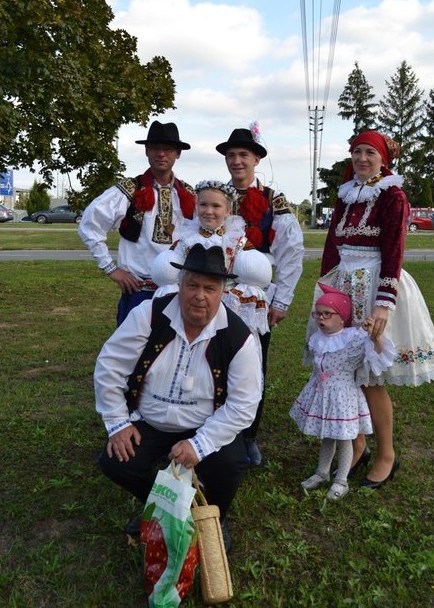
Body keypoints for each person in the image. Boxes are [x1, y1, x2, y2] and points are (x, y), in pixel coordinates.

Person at [94, 243, 263, 552]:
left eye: (210, 288)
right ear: (179, 285)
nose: (200, 296)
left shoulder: (239, 336)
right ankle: (163, 508)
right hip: (150, 421)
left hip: (204, 425)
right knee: (116, 461)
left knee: (230, 463)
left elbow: (244, 404)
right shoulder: (149, 315)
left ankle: (215, 516)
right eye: (192, 286)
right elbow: (110, 366)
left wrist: (199, 445)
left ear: (222, 292)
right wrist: (118, 422)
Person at [311, 130, 434, 489]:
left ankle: (386, 454)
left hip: (373, 288)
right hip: (343, 287)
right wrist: (325, 290)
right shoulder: (346, 194)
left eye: (370, 152)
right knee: (345, 371)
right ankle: (357, 445)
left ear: (383, 158)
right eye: (357, 151)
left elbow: (394, 250)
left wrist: (384, 303)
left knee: (371, 377)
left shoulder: (392, 195)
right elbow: (332, 245)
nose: (362, 158)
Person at [216, 122, 304, 465]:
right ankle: (215, 429)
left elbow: (291, 252)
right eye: (231, 155)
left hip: (255, 300)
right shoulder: (217, 196)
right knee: (214, 360)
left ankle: (248, 435)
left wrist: (281, 301)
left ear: (256, 159)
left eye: (243, 155)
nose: (236, 161)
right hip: (216, 292)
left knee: (252, 366)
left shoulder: (272, 200)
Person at [78, 120, 195, 325]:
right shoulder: (128, 189)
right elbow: (89, 224)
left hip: (178, 293)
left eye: (168, 149)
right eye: (155, 148)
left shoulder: (188, 194)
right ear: (146, 151)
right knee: (133, 344)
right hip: (139, 292)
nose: (161, 154)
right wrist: (111, 269)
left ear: (178, 153)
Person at [291, 284, 395, 500]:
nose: (321, 318)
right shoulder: (319, 338)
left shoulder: (353, 339)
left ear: (342, 318)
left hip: (342, 397)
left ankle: (341, 480)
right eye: (318, 314)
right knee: (327, 435)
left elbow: (378, 354)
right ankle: (322, 472)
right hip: (323, 394)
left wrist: (374, 336)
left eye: (327, 314)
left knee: (344, 438)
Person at [150, 179, 273, 362]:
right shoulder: (185, 239)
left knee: (224, 354)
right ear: (196, 206)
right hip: (194, 304)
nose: (209, 211)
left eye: (216, 206)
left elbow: (252, 273)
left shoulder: (237, 240)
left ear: (228, 210)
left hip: (227, 306)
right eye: (203, 205)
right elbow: (170, 272)